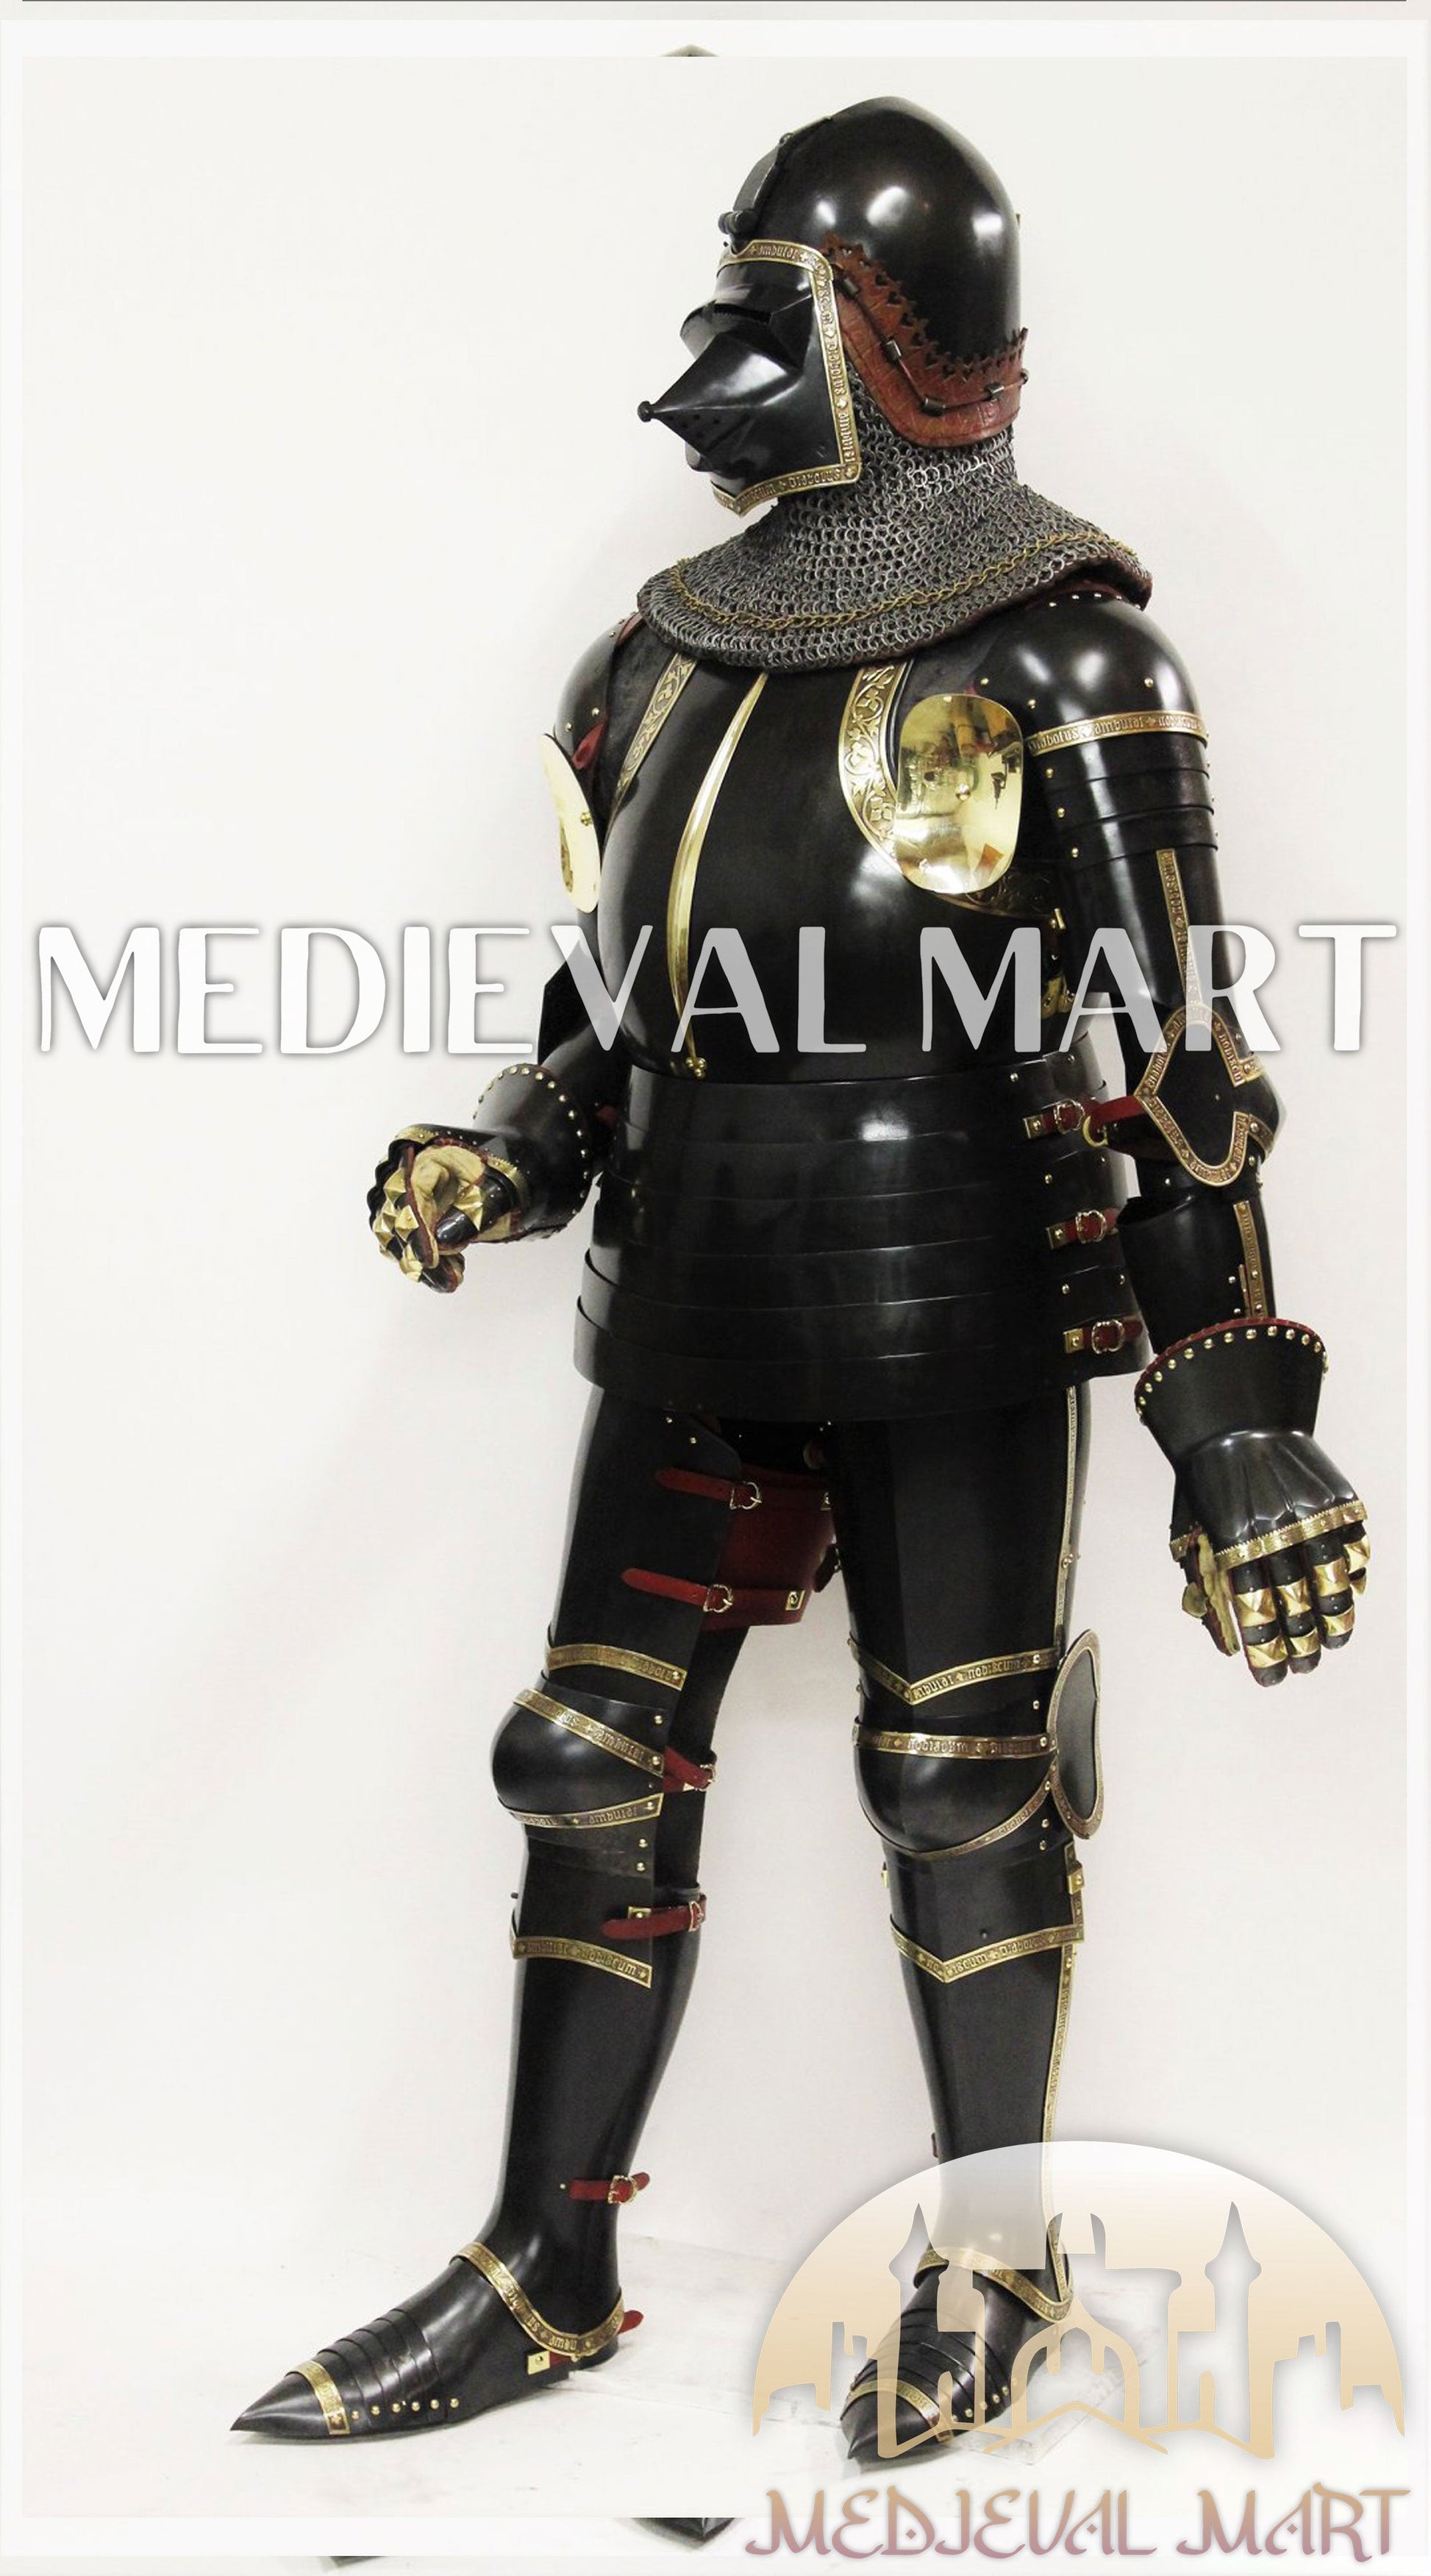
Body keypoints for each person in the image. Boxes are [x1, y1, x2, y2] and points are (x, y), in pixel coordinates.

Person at [236, 97, 1367, 2465]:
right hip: (683, 1287)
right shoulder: (651, 662)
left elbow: (1177, 1075)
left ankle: (995, 2262)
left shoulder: (1073, 662)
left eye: (777, 315)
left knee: (958, 1782)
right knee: (580, 1760)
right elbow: (617, 1007)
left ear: (907, 344)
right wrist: (512, 1144)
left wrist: (1236, 1423)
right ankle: (544, 2266)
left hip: (961, 1288)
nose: (713, 371)